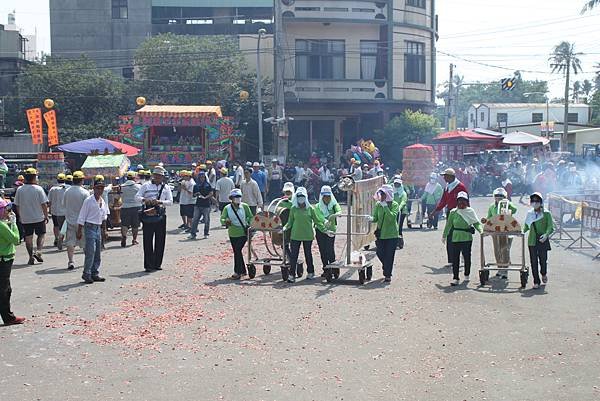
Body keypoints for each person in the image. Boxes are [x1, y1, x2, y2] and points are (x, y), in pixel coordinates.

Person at [136, 166, 173, 272]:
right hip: (148, 214)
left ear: (162, 177)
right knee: (147, 240)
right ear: (153, 175)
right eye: (156, 175)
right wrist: (145, 200)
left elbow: (170, 201)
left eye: (160, 176)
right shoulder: (145, 186)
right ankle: (148, 264)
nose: (158, 178)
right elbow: (137, 197)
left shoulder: (166, 188)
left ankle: (157, 263)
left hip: (160, 214)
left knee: (160, 240)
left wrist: (160, 202)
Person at [443, 191, 482, 286]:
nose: (461, 203)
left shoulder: (470, 211)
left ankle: (466, 274)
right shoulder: (453, 212)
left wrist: (481, 231)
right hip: (456, 238)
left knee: (467, 257)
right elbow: (448, 225)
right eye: (459, 200)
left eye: (463, 200)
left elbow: (476, 223)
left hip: (467, 238)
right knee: (455, 259)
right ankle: (455, 277)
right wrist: (444, 235)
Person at [431, 168, 469, 266]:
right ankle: (452, 259)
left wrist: (467, 215)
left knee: (460, 235)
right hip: (450, 213)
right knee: (450, 235)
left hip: (460, 213)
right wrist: (436, 211)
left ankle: (463, 257)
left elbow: (466, 201)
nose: (444, 178)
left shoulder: (460, 187)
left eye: (445, 176)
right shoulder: (447, 187)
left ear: (451, 176)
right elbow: (443, 201)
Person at [284, 187, 322, 283]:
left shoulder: (310, 209)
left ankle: (310, 272)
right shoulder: (293, 209)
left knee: (308, 254)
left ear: (306, 197)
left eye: (302, 196)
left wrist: (325, 228)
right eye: (299, 196)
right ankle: (292, 274)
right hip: (295, 235)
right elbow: (290, 222)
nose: (301, 198)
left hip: (307, 235)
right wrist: (284, 228)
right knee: (294, 256)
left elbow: (317, 221)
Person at [76, 175, 109, 284]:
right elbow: (82, 216)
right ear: (94, 188)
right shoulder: (88, 200)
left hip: (98, 227)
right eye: (98, 188)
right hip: (89, 227)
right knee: (91, 251)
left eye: (101, 188)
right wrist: (79, 230)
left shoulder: (102, 201)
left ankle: (95, 272)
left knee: (98, 252)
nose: (100, 190)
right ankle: (87, 273)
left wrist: (104, 230)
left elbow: (104, 217)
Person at [13, 168, 48, 265]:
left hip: (25, 218)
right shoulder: (39, 189)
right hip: (38, 217)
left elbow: (17, 205)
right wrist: (46, 215)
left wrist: (20, 216)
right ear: (34, 177)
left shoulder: (20, 189)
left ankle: (30, 257)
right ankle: (39, 251)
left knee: (28, 237)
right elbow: (44, 204)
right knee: (41, 235)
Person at [0, 198, 24, 325]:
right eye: (4, 209)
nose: (7, 212)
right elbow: (16, 239)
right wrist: (14, 224)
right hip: (4, 259)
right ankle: (8, 317)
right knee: (4, 290)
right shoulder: (1, 225)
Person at [523, 192, 554, 289]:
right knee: (533, 261)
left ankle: (543, 273)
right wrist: (520, 232)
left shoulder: (546, 213)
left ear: (541, 202)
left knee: (543, 260)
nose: (535, 203)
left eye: (537, 201)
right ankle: (536, 280)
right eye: (533, 201)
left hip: (542, 240)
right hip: (532, 240)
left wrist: (546, 234)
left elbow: (550, 227)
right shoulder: (530, 213)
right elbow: (526, 226)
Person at [485, 188, 518, 279]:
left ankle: (505, 270)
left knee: (505, 249)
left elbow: (515, 210)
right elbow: (489, 217)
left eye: (501, 196)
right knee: (497, 250)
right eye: (497, 196)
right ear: (494, 197)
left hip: (506, 230)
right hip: (495, 231)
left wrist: (508, 203)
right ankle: (500, 268)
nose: (498, 198)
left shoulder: (507, 205)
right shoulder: (492, 206)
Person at [221, 189, 253, 279]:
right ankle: (242, 270)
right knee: (237, 251)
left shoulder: (245, 206)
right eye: (236, 197)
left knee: (237, 250)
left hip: (243, 233)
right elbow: (222, 219)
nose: (238, 199)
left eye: (239, 197)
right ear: (231, 198)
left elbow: (250, 217)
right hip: (232, 233)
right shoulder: (227, 208)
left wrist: (249, 224)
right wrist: (226, 221)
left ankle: (237, 272)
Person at [369, 185, 399, 283]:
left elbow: (391, 218)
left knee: (389, 255)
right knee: (380, 253)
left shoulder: (394, 205)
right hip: (381, 234)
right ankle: (386, 267)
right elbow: (376, 218)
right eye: (380, 194)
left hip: (391, 235)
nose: (381, 196)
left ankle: (387, 274)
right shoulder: (378, 205)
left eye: (383, 194)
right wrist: (370, 219)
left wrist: (385, 207)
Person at [62, 171, 89, 270]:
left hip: (70, 221)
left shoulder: (67, 191)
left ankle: (71, 261)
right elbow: (87, 208)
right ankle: (88, 260)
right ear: (82, 180)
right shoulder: (85, 192)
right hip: (82, 221)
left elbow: (63, 205)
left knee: (70, 242)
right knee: (85, 242)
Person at [314, 185, 342, 277]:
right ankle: (326, 269)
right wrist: (325, 222)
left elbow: (339, 210)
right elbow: (319, 217)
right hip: (321, 230)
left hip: (331, 231)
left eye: (328, 196)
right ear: (321, 196)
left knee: (330, 250)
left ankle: (334, 268)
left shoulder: (334, 205)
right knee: (322, 251)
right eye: (325, 196)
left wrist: (337, 214)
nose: (326, 198)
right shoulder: (317, 206)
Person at [119, 170, 142, 247]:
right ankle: (134, 240)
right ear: (134, 178)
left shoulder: (121, 187)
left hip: (125, 207)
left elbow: (116, 197)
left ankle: (124, 236)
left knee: (124, 224)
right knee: (135, 225)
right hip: (136, 207)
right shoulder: (138, 186)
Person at [188, 171, 213, 240]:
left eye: (203, 177)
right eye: (200, 177)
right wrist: (197, 194)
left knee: (207, 220)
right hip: (198, 205)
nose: (202, 178)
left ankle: (206, 233)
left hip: (206, 205)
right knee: (195, 220)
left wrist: (205, 197)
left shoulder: (207, 185)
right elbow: (193, 195)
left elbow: (211, 193)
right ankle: (193, 234)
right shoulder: (196, 185)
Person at [47, 173, 68, 250]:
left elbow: (49, 201)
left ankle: (56, 238)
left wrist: (48, 210)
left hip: (55, 211)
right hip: (65, 211)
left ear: (57, 180)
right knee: (65, 227)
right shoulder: (67, 188)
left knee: (56, 226)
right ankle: (63, 238)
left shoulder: (53, 189)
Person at [392, 177, 408, 249]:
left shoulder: (403, 193)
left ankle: (400, 242)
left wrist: (399, 207)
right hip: (393, 212)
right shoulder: (392, 192)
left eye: (398, 184)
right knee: (393, 227)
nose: (396, 185)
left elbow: (403, 201)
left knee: (399, 227)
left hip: (402, 211)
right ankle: (393, 242)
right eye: (395, 184)